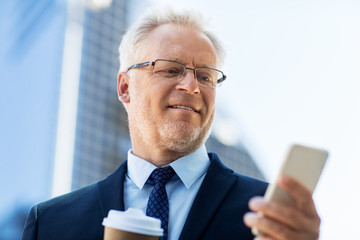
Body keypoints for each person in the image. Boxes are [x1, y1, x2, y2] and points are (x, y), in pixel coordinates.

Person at [22, 7, 321, 240]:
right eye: (171, 70)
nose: (192, 86)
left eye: (205, 76)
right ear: (125, 88)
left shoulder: (270, 216)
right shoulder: (50, 223)